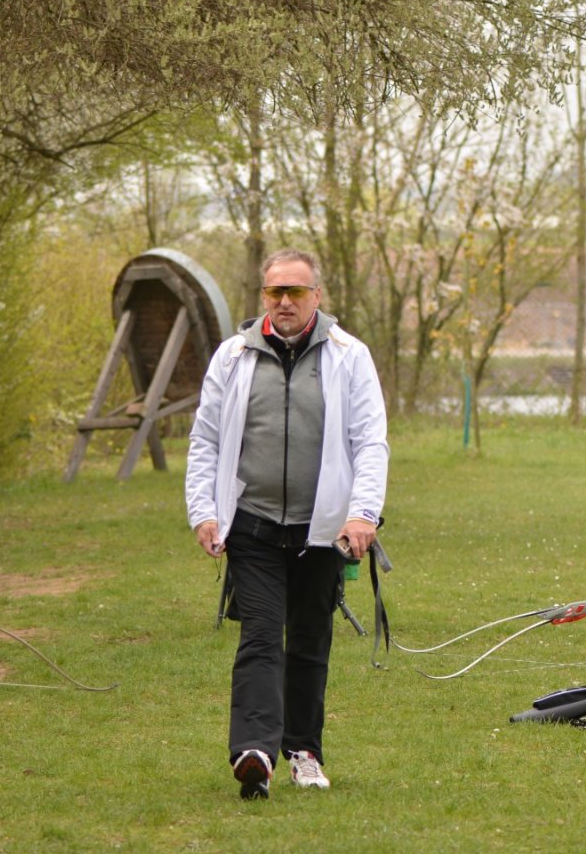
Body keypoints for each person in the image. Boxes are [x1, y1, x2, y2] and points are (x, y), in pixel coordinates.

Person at [185, 249, 388, 800]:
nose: (284, 301)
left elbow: (370, 441)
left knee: (308, 642)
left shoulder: (350, 356)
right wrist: (203, 510)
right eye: (275, 292)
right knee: (258, 638)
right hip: (251, 526)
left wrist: (362, 513)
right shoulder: (232, 356)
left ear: (316, 297)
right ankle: (253, 751)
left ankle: (303, 751)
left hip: (323, 529)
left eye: (295, 292)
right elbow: (204, 439)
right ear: (264, 298)